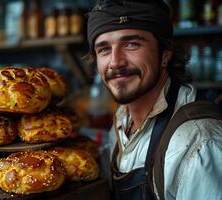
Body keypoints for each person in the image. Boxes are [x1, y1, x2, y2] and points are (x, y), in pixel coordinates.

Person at [86, 0, 222, 199]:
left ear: (165, 54)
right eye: (104, 49)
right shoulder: (122, 121)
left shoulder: (198, 142)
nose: (115, 62)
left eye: (131, 44)